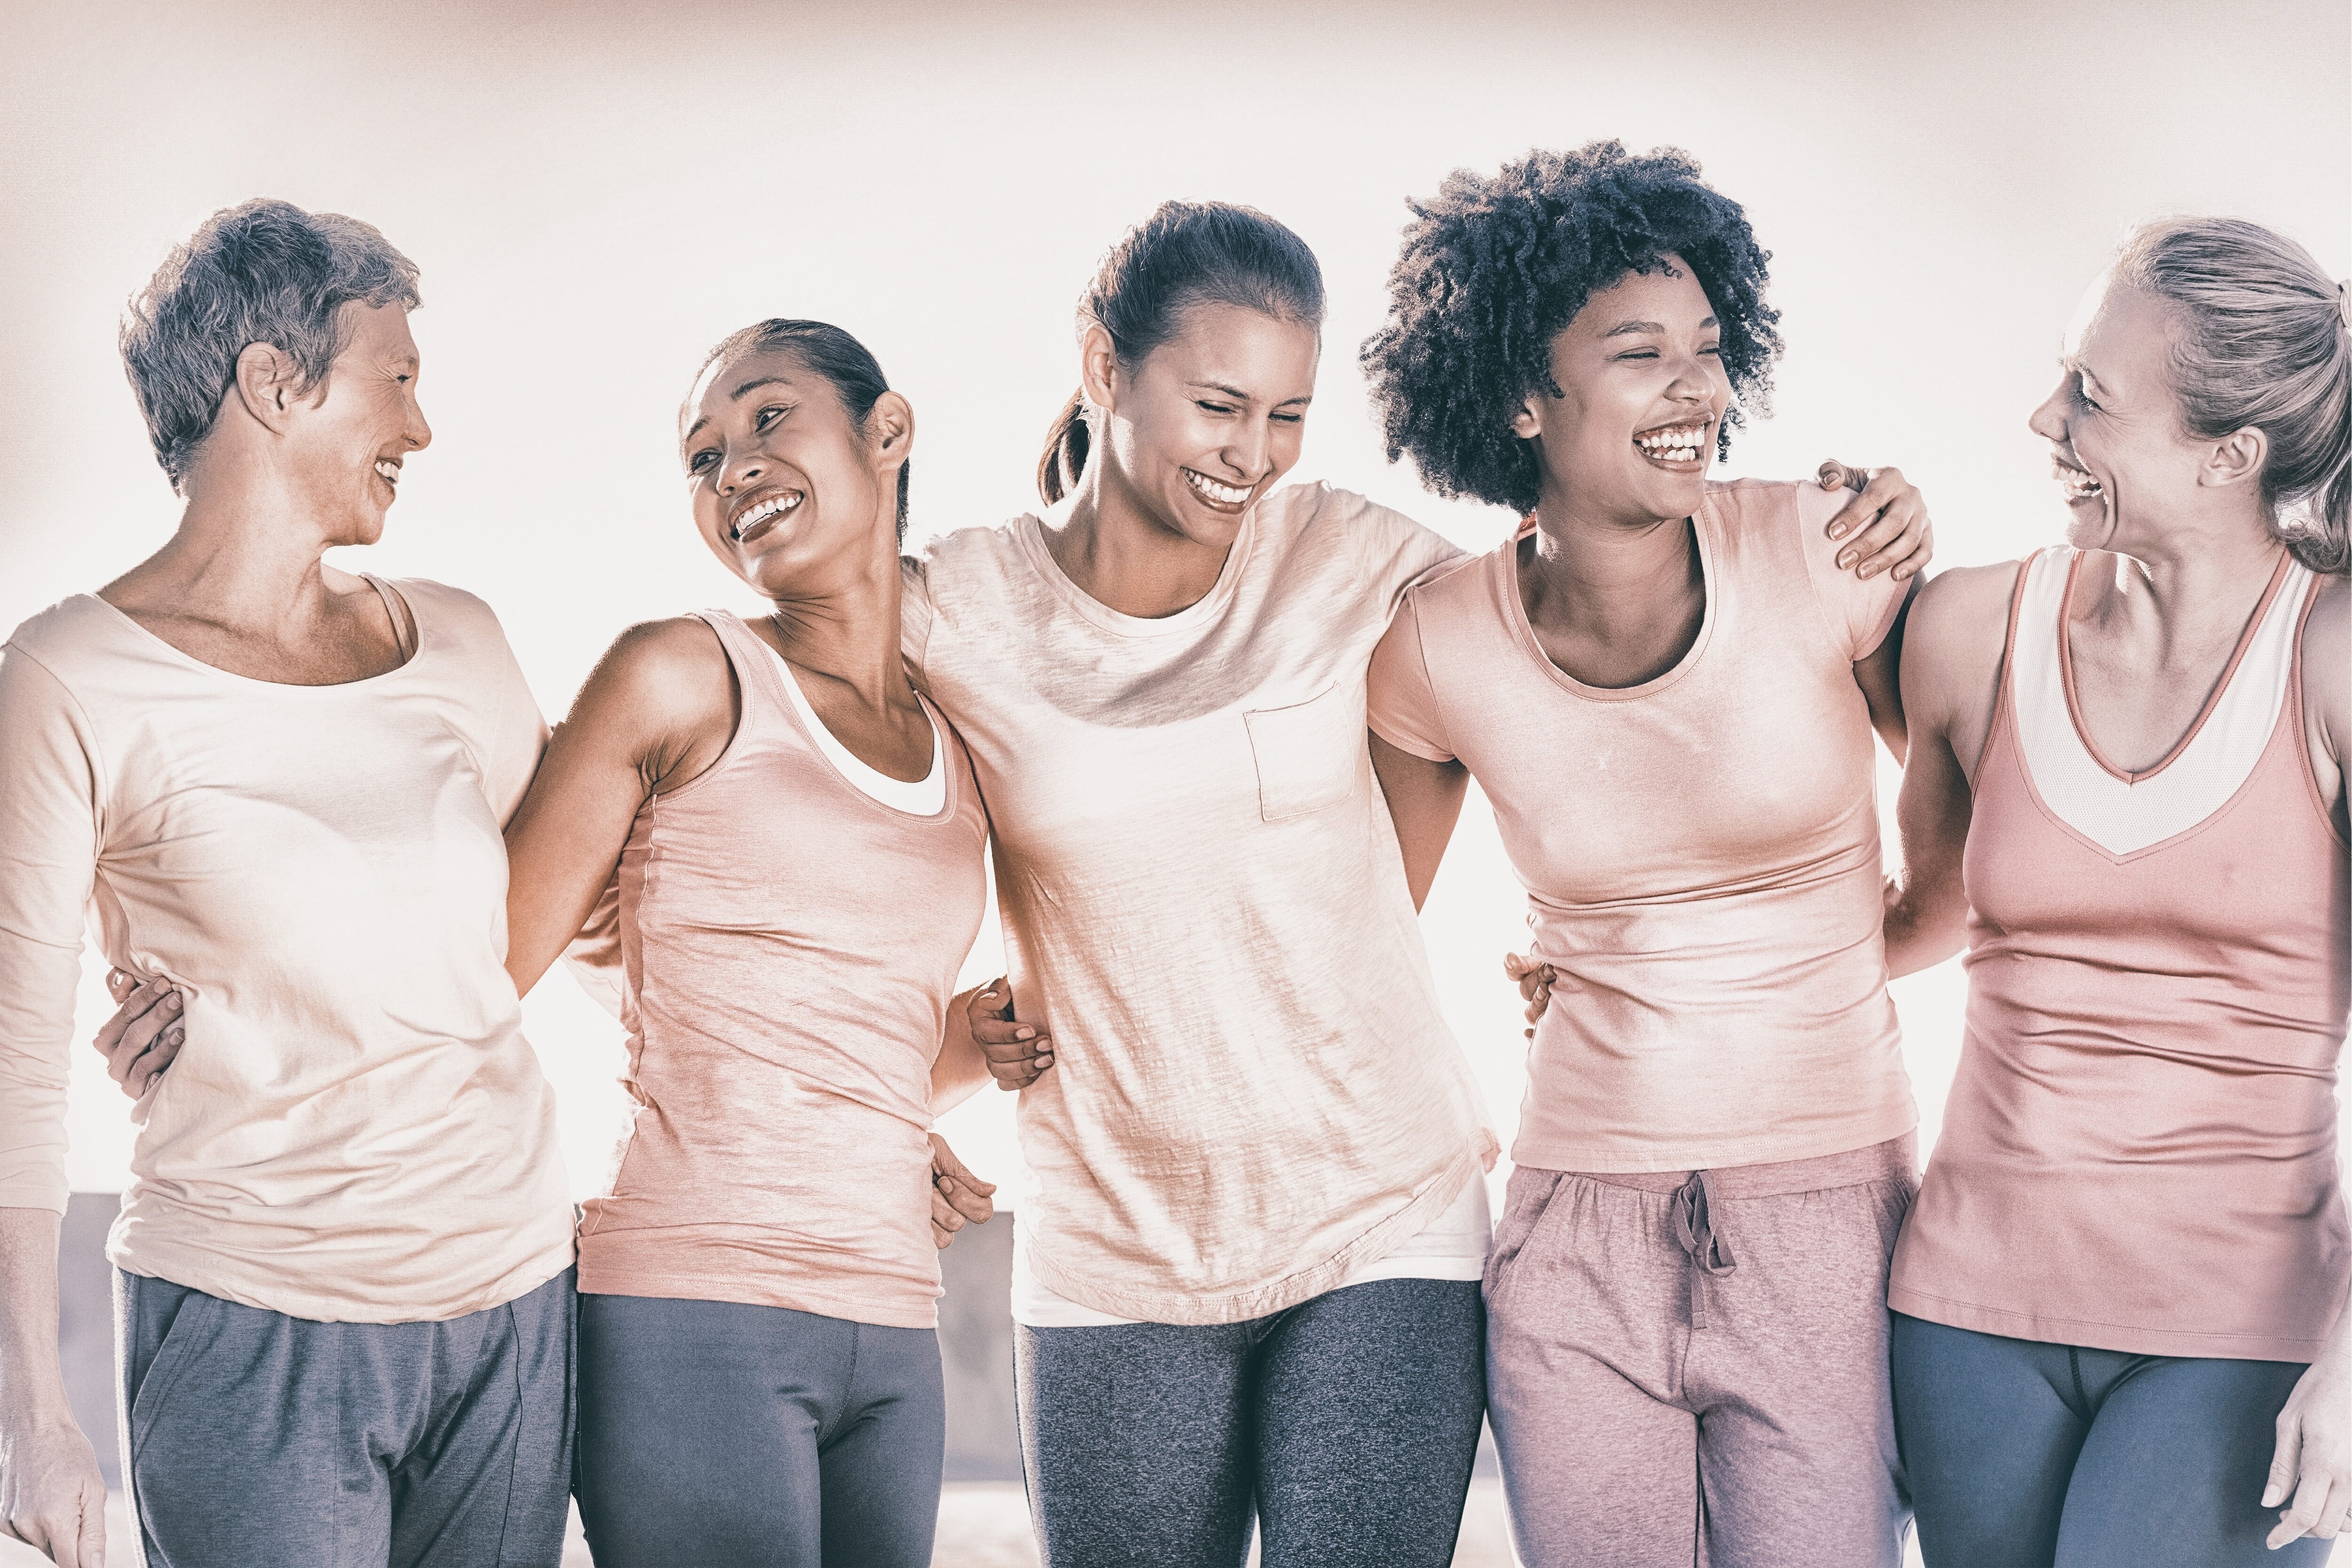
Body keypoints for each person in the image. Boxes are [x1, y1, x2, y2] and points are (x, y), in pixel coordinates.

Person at [906, 196, 1931, 1567]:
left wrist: (1620, 951)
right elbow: (814, 846)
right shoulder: (954, 609)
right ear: (1105, 368)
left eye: (1287, 416)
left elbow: (1578, 666)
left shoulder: (1361, 563)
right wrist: (896, 1090)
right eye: (1220, 405)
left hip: (1383, 1212)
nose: (1253, 456)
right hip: (1110, 1235)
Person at [86, 318, 1018, 1568]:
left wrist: (959, 1055)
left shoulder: (960, 740)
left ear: (887, 431)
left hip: (897, 1318)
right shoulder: (679, 674)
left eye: (766, 419)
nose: (731, 465)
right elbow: (481, 959)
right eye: (700, 456)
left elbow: (834, 1021)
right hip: (695, 1308)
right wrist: (228, 1018)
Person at [1358, 142, 1931, 1568]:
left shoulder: (1826, 550)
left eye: (1710, 349)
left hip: (1826, 1217)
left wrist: (1850, 966)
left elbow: (1999, 828)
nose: (1699, 391)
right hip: (1574, 1232)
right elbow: (1355, 923)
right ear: (1520, 395)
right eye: (1639, 356)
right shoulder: (1437, 643)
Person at [0, 200, 576, 1568]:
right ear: (277, 381)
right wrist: (35, 1414)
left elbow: (584, 916)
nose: (422, 429)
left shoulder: (462, 641)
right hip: (251, 1317)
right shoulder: (69, 678)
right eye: (399, 378)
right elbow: (13, 1060)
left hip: (513, 1303)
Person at [1881, 218, 2350, 1565]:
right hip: (1967, 1312)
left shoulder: (2332, 654)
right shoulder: (1970, 628)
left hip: (2238, 1328)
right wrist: (1642, 949)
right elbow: (1914, 917)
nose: (2047, 416)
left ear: (2230, 456)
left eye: (2091, 395)